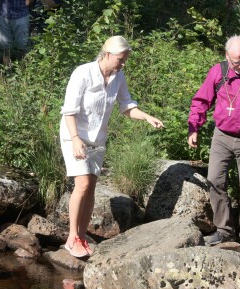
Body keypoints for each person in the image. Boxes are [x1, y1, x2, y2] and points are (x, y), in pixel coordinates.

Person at [60, 35, 164, 258]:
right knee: (83, 183)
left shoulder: (118, 76)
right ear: (106, 54)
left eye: (125, 59)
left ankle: (81, 235)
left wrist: (146, 116)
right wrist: (76, 139)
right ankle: (71, 238)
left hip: (97, 139)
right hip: (74, 135)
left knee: (91, 188)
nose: (123, 63)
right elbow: (69, 111)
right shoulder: (83, 73)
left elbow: (126, 107)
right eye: (120, 58)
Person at [188, 35, 240, 252]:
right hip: (221, 135)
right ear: (226, 56)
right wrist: (194, 128)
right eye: (236, 62)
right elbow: (201, 101)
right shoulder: (219, 72)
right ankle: (224, 230)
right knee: (214, 180)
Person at [0, 0, 34, 65]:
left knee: (23, 47)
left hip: (21, 15)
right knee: (5, 48)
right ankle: (7, 71)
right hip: (4, 15)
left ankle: (24, 72)